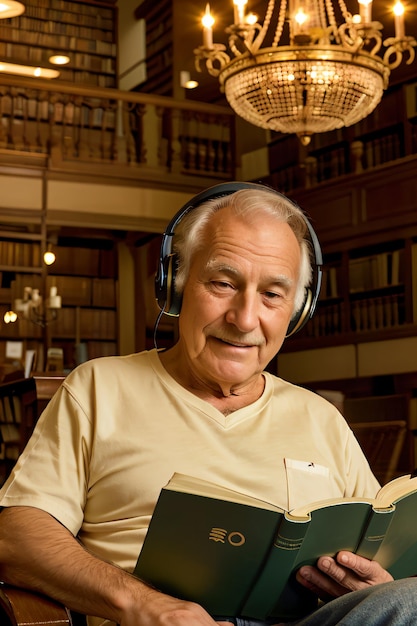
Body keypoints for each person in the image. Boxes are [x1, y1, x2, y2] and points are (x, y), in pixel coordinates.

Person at [0, 182, 415, 626]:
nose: (244, 318)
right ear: (175, 287)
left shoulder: (320, 416)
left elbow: (383, 549)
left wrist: (378, 585)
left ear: (297, 311)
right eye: (222, 283)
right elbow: (16, 537)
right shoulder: (99, 388)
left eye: (273, 295)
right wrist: (143, 605)